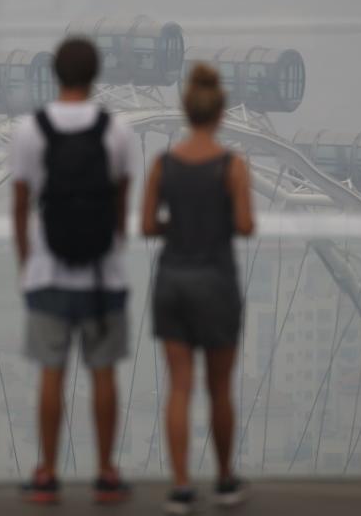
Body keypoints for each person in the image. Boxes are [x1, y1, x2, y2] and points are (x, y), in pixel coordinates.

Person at [10, 37, 133, 504]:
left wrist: (28, 263)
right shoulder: (117, 130)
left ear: (54, 74)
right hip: (104, 277)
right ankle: (106, 472)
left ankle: (46, 472)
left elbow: (20, 205)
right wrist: (112, 247)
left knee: (51, 373)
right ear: (95, 73)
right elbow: (124, 199)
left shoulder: (29, 130)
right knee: (103, 373)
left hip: (48, 272)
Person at [141, 63, 254, 514]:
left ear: (186, 113)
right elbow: (245, 224)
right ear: (220, 114)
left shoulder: (162, 165)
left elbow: (148, 223)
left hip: (172, 282)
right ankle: (225, 481)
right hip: (216, 282)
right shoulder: (232, 166)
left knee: (179, 387)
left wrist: (179, 224)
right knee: (219, 387)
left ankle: (182, 486)